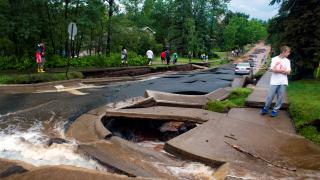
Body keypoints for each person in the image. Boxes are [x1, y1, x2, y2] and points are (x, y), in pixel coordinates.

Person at [260, 46, 291, 117]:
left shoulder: (287, 61)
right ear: (284, 51)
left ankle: (275, 110)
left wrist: (278, 70)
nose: (289, 53)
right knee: (270, 96)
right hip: (274, 81)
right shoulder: (274, 59)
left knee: (280, 97)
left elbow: (289, 72)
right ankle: (266, 108)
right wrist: (283, 71)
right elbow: (272, 69)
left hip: (283, 82)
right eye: (288, 52)